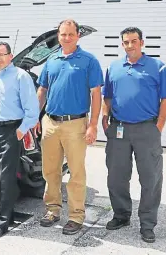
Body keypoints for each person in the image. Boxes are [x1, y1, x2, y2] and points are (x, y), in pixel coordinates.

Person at [102, 27, 166, 243]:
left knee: (150, 178)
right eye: (126, 42)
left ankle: (147, 224)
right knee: (116, 176)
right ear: (122, 44)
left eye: (134, 41)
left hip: (147, 129)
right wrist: (105, 119)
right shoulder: (114, 67)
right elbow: (108, 96)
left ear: (142, 42)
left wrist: (158, 126)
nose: (130, 45)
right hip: (119, 129)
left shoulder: (158, 67)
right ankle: (121, 215)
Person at [34, 19, 103, 235]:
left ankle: (76, 216)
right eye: (63, 34)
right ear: (59, 36)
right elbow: (42, 90)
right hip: (50, 123)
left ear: (77, 36)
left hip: (76, 124)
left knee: (76, 172)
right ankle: (52, 210)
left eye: (70, 34)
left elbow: (96, 94)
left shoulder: (89, 61)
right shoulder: (51, 60)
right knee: (50, 170)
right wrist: (36, 117)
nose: (66, 38)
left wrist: (92, 125)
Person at [0, 41, 39, 239]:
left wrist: (21, 131)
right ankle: (2, 213)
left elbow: (32, 110)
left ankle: (3, 222)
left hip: (12, 131)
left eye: (1, 55)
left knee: (7, 177)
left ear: (10, 55)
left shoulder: (20, 77)